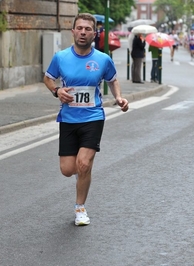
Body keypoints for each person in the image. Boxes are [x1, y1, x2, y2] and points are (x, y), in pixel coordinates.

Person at [43, 13, 129, 226]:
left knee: (83, 163)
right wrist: (57, 91)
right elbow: (48, 78)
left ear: (94, 33)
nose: (83, 32)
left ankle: (80, 208)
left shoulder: (103, 59)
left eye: (87, 29)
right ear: (73, 32)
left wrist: (118, 97)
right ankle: (81, 173)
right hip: (68, 119)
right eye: (79, 28)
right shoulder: (61, 57)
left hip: (93, 117)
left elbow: (113, 79)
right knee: (67, 170)